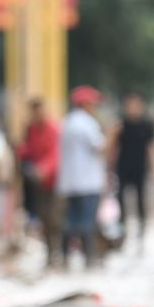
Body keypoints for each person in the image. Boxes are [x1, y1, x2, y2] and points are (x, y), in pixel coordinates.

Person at [56, 86, 109, 268]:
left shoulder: (67, 122)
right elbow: (101, 148)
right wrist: (113, 135)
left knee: (70, 220)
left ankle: (64, 256)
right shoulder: (87, 123)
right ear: (85, 103)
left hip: (69, 182)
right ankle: (89, 258)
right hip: (88, 182)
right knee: (87, 221)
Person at [111, 92, 154, 244]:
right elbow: (114, 148)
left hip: (140, 167)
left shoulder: (147, 125)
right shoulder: (121, 125)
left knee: (140, 200)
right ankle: (122, 230)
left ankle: (141, 232)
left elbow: (151, 148)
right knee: (120, 199)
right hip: (123, 167)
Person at [18, 97, 62, 254]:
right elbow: (28, 150)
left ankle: (59, 250)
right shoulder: (31, 130)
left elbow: (55, 154)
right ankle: (50, 251)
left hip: (54, 180)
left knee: (55, 217)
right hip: (38, 181)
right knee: (43, 217)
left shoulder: (53, 129)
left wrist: (44, 169)